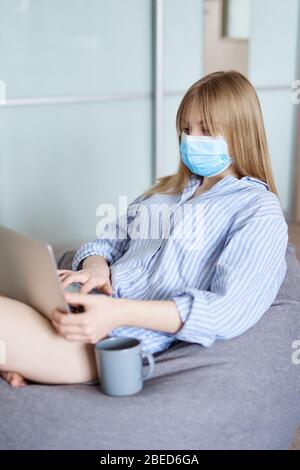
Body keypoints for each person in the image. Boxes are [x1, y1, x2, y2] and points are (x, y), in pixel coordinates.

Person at [0, 70, 288, 387]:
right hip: (80, 303)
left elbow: (227, 310)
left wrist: (116, 313)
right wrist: (96, 268)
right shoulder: (165, 192)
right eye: (185, 130)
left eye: (205, 130)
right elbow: (108, 242)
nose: (191, 141)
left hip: (107, 339)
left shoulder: (258, 211)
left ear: (241, 132)